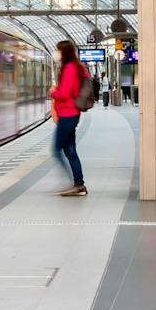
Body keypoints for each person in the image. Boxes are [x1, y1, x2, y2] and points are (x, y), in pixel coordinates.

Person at [49, 39, 87, 197]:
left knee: (57, 150)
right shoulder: (72, 67)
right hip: (69, 114)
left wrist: (53, 92)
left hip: (68, 114)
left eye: (57, 50)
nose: (56, 53)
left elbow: (64, 93)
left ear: (64, 52)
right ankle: (78, 184)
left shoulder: (69, 68)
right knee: (70, 150)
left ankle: (75, 184)